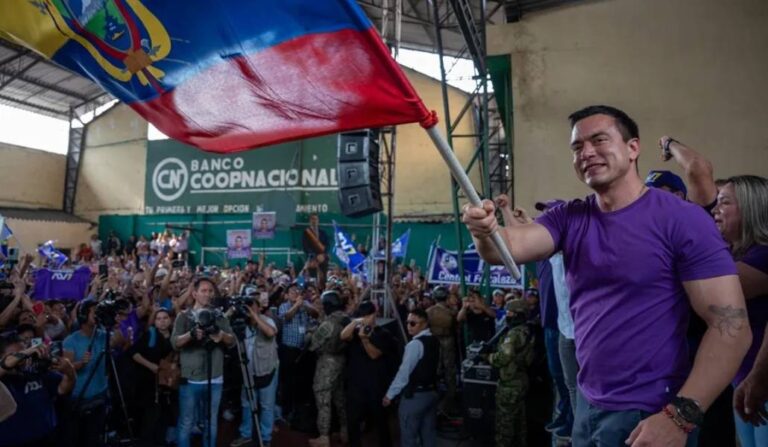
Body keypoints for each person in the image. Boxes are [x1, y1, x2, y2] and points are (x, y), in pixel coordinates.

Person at [462, 105, 751, 446]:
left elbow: (731, 329)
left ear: (633, 149)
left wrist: (680, 417)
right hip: (589, 403)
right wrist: (483, 231)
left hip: (652, 411)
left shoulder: (682, 219)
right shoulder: (569, 217)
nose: (586, 152)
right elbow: (504, 249)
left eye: (599, 139)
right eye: (577, 147)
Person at [711, 175, 768, 447]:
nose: (714, 210)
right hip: (744, 379)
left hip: (762, 381)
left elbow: (715, 293)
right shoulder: (738, 255)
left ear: (751, 208)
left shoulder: (763, 257)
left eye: (724, 203)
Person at [171, 277, 236, 447]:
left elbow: (232, 341)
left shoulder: (219, 316)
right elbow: (175, 343)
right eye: (204, 291)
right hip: (190, 378)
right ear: (194, 293)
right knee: (187, 421)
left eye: (210, 291)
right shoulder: (184, 317)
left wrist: (221, 335)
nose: (207, 294)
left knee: (211, 422)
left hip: (214, 377)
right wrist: (191, 335)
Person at [63, 299, 127, 447]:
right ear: (84, 315)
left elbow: (120, 342)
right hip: (79, 396)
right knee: (77, 437)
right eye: (95, 312)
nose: (98, 315)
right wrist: (80, 363)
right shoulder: (71, 340)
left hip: (100, 395)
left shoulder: (103, 334)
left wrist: (114, 324)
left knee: (93, 437)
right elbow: (66, 368)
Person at [0, 334, 76, 447]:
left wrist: (69, 371)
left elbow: (63, 389)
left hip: (48, 438)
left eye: (25, 353)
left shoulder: (34, 371)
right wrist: (22, 354)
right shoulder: (3, 380)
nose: (22, 360)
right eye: (15, 356)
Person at [340, 300, 397, 447]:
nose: (366, 319)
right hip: (356, 386)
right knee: (353, 421)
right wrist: (356, 322)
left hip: (376, 386)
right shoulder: (356, 331)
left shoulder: (384, 334)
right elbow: (343, 336)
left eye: (368, 315)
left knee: (380, 422)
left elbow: (374, 355)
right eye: (362, 316)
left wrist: (365, 340)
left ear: (375, 314)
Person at [383, 308, 439, 447]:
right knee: (429, 434)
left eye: (413, 323)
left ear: (424, 324)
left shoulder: (415, 345)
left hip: (415, 397)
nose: (409, 326)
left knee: (409, 437)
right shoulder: (434, 340)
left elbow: (403, 374)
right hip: (431, 393)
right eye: (407, 322)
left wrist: (390, 395)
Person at [231, 289, 280, 447]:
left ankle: (265, 438)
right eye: (246, 307)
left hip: (268, 370)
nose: (248, 310)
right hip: (248, 372)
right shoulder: (240, 324)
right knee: (246, 403)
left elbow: (271, 333)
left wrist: (255, 316)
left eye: (251, 306)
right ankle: (246, 434)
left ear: (258, 308)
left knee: (266, 406)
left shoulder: (267, 320)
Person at [486, 299, 535, 447]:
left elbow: (503, 358)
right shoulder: (527, 330)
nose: (507, 315)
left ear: (518, 315)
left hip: (510, 384)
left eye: (510, 313)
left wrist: (488, 357)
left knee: (504, 423)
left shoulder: (513, 334)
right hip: (521, 380)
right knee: (519, 421)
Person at [307, 290, 349, 447]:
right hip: (342, 360)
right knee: (340, 399)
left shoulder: (328, 323)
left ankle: (324, 437)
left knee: (323, 398)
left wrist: (310, 332)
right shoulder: (345, 318)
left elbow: (313, 345)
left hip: (327, 362)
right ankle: (345, 431)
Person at [131, 308, 177, 447]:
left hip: (169, 382)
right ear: (154, 322)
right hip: (150, 381)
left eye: (165, 318)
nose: (162, 321)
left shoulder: (175, 336)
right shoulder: (150, 334)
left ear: (170, 320)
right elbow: (134, 353)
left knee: (166, 414)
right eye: (159, 319)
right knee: (151, 417)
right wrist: (151, 366)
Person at [277, 283, 317, 424]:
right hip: (288, 350)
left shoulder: (305, 304)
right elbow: (286, 317)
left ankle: (298, 411)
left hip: (303, 350)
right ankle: (286, 411)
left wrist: (303, 304)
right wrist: (296, 305)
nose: (295, 293)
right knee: (287, 382)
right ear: (287, 295)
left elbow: (315, 315)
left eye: (298, 291)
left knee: (301, 381)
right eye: (292, 291)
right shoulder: (284, 305)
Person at [425, 285, 459, 415]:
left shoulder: (429, 311)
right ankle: (450, 400)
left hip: (435, 341)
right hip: (447, 341)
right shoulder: (451, 312)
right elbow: (457, 324)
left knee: (435, 369)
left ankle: (435, 398)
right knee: (449, 371)